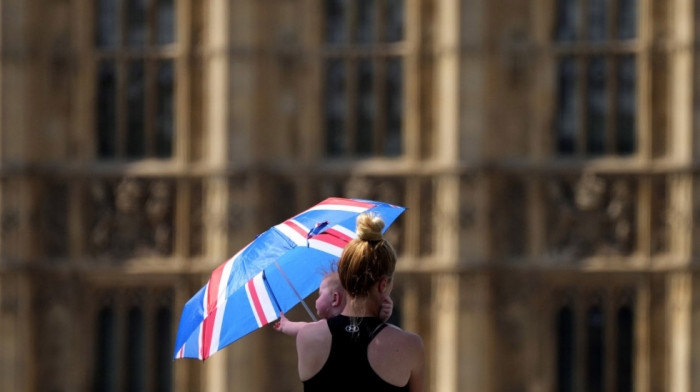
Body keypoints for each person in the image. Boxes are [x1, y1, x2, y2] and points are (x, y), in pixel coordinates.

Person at [294, 213, 425, 392]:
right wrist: (380, 325)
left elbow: (349, 356)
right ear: (383, 284)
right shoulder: (409, 345)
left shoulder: (306, 337)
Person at [274, 271, 393, 337]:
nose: (316, 300)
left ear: (335, 299)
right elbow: (373, 329)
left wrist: (286, 325)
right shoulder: (357, 321)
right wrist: (381, 316)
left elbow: (302, 329)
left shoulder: (326, 326)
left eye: (320, 294)